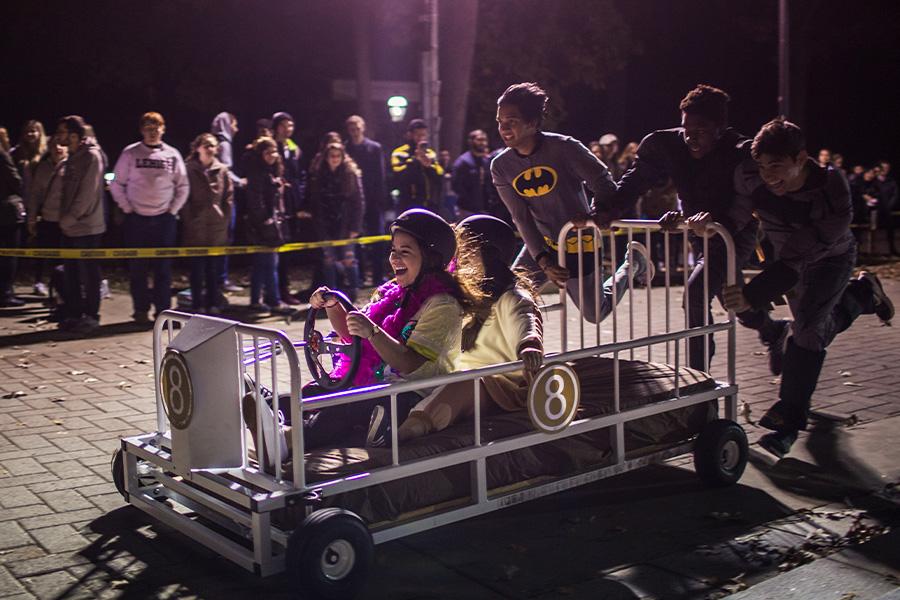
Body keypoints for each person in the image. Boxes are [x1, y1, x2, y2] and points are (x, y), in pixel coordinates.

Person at [244, 209, 485, 463]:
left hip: (413, 394)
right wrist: (333, 305)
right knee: (317, 392)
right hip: (379, 384)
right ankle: (267, 407)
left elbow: (410, 363)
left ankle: (285, 440)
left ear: (431, 258)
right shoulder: (392, 292)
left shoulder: (442, 304)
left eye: (405, 251)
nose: (395, 258)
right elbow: (351, 336)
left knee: (347, 405)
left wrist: (372, 331)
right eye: (393, 250)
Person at [725, 118, 894, 458]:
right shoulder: (750, 176)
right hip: (788, 261)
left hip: (829, 258)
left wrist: (753, 293)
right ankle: (862, 294)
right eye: (761, 166)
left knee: (806, 329)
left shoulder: (832, 188)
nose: (768, 175)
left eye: (776, 166)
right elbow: (735, 214)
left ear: (801, 159)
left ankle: (787, 421)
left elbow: (797, 257)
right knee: (809, 332)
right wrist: (697, 221)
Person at [612, 84, 785, 373]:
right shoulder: (670, 144)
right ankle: (773, 331)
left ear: (720, 128)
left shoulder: (739, 151)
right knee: (734, 298)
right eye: (686, 127)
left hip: (734, 234)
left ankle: (697, 377)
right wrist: (609, 209)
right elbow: (639, 178)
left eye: (701, 129)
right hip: (699, 232)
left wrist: (720, 225)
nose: (691, 136)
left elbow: (746, 199)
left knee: (696, 294)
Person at [491, 82, 653, 325]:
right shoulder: (501, 166)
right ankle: (530, 352)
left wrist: (595, 215)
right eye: (499, 121)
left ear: (533, 123)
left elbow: (604, 182)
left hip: (580, 241)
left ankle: (632, 266)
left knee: (594, 313)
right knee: (509, 298)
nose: (503, 127)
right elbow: (521, 217)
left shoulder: (565, 148)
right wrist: (544, 261)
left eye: (511, 120)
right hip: (543, 243)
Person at [395, 214, 544, 443]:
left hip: (503, 385)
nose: (460, 259)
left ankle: (408, 432)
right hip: (464, 376)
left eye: (467, 251)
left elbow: (526, 320)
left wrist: (530, 344)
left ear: (490, 253)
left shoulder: (513, 297)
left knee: (464, 384)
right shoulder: (466, 297)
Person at [110, 112, 189, 324]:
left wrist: (172, 210)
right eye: (148, 128)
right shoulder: (130, 153)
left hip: (164, 221)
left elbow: (183, 186)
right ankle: (140, 311)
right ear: (141, 130)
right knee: (138, 270)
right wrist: (127, 208)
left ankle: (164, 314)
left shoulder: (172, 155)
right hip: (136, 220)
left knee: (163, 270)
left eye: (156, 128)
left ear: (163, 129)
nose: (152, 132)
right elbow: (115, 183)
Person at [56, 115, 106, 334]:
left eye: (63, 132)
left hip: (86, 226)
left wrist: (70, 217)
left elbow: (87, 193)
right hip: (69, 226)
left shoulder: (91, 157)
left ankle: (91, 315)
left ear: (75, 135)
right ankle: (74, 314)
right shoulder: (72, 157)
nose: (59, 136)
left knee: (89, 273)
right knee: (71, 273)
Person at [181, 133, 234, 314]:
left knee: (214, 270)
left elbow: (228, 197)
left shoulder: (222, 170)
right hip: (196, 226)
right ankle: (197, 304)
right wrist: (189, 219)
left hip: (216, 227)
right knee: (196, 269)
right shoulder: (188, 169)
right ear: (197, 148)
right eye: (206, 145)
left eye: (213, 145)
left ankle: (214, 303)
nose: (210, 149)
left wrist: (224, 218)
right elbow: (184, 197)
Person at [308, 142, 363, 302]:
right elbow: (315, 203)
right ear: (326, 157)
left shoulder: (350, 173)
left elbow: (358, 202)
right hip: (326, 225)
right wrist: (319, 227)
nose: (335, 159)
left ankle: (353, 295)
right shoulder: (319, 175)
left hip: (345, 225)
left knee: (349, 260)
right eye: (331, 156)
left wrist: (355, 226)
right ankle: (333, 297)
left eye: (338, 156)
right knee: (329, 262)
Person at [244, 136, 290, 314]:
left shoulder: (272, 172)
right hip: (263, 227)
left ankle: (256, 301)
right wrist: (266, 222)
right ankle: (274, 301)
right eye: (268, 152)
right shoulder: (257, 173)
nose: (272, 155)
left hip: (268, 224)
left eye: (274, 151)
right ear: (261, 154)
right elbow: (256, 200)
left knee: (261, 265)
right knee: (269, 264)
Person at [345, 115, 388, 285]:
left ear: (363, 128)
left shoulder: (374, 148)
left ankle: (377, 276)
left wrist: (380, 199)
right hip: (354, 202)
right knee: (356, 239)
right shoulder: (346, 148)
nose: (355, 132)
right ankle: (360, 275)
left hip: (372, 201)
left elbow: (380, 175)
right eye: (352, 129)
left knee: (376, 239)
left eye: (357, 128)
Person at [26, 138, 68, 298]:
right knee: (44, 254)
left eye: (61, 144)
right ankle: (40, 282)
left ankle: (60, 291)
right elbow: (35, 194)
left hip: (66, 221)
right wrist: (31, 219)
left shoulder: (72, 166)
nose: (58, 148)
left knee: (64, 259)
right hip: (47, 218)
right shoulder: (43, 168)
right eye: (54, 145)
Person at [271, 112, 305, 305]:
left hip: (291, 205)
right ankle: (275, 292)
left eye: (290, 125)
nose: (288, 129)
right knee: (275, 253)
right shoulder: (270, 147)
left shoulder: (292, 148)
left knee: (287, 252)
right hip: (276, 206)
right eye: (284, 125)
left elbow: (299, 175)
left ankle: (284, 290)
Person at [211, 111, 245, 293]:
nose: (236, 129)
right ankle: (220, 278)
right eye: (234, 124)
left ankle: (217, 278)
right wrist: (241, 181)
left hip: (217, 200)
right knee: (225, 237)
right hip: (225, 199)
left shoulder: (216, 142)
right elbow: (226, 171)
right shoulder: (224, 144)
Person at [391, 118, 444, 213]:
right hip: (407, 204)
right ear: (410, 135)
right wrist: (415, 160)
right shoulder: (399, 153)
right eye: (417, 135)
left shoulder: (430, 154)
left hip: (430, 205)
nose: (421, 138)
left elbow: (440, 175)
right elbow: (399, 176)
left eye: (423, 135)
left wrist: (429, 166)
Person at [0, 149, 25, 307]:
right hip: (6, 212)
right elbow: (16, 181)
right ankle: (5, 293)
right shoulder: (2, 155)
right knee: (10, 254)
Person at [452, 129, 494, 219]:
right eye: (479, 140)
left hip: (485, 210)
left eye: (484, 140)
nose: (482, 143)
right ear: (471, 141)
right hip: (466, 211)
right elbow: (456, 187)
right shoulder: (463, 162)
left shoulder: (486, 161)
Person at [876, 160, 897, 255]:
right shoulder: (874, 181)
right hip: (876, 209)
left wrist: (890, 205)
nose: (885, 170)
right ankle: (874, 251)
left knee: (890, 229)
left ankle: (892, 249)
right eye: (883, 168)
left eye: (887, 168)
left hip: (888, 209)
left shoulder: (891, 181)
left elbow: (895, 194)